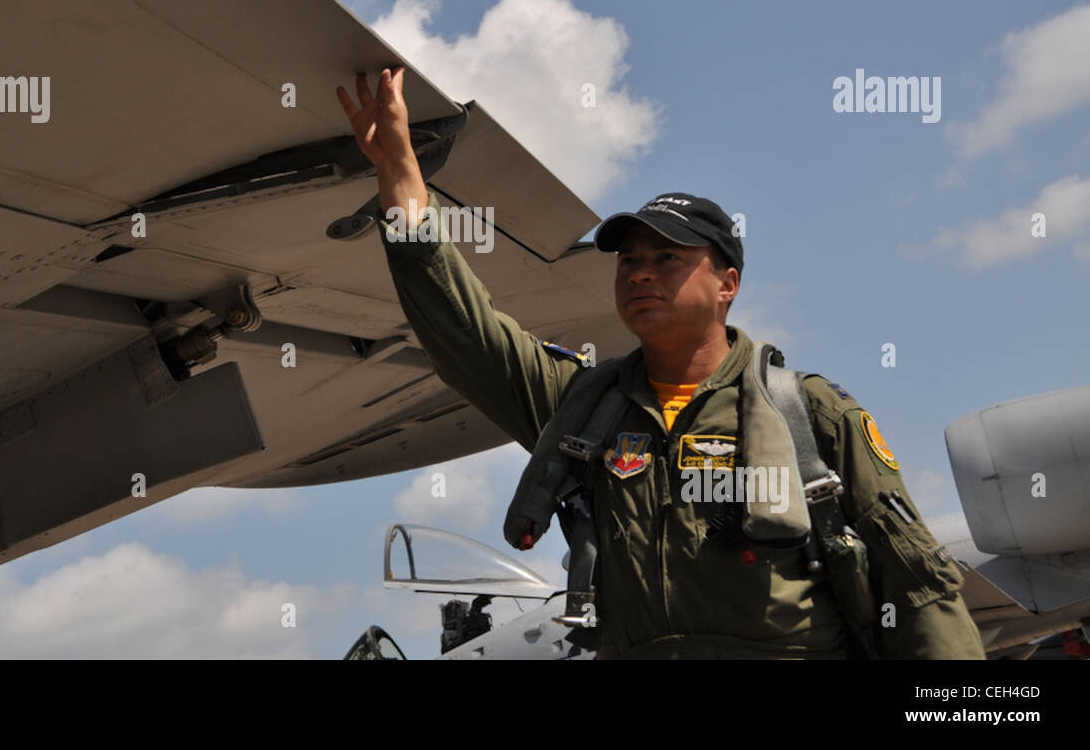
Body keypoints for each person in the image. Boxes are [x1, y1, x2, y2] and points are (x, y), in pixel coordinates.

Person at [337, 66, 986, 659]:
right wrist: (401, 176)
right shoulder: (586, 409)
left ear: (727, 283)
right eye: (628, 262)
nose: (641, 274)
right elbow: (468, 338)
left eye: (667, 259)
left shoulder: (812, 415)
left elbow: (919, 582)